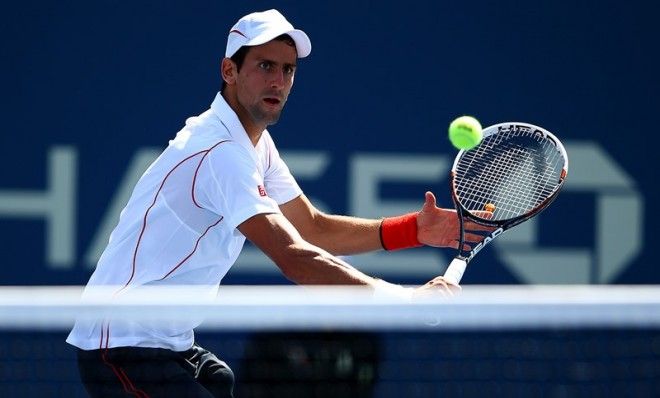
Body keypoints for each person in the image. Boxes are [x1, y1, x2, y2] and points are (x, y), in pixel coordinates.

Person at [66, 9, 491, 398]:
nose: (279, 81)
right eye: (265, 66)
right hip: (121, 345)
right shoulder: (220, 152)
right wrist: (406, 301)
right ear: (229, 71)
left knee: (220, 381)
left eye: (288, 70)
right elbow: (293, 256)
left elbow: (311, 227)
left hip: (169, 344)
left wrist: (413, 230)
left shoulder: (254, 143)